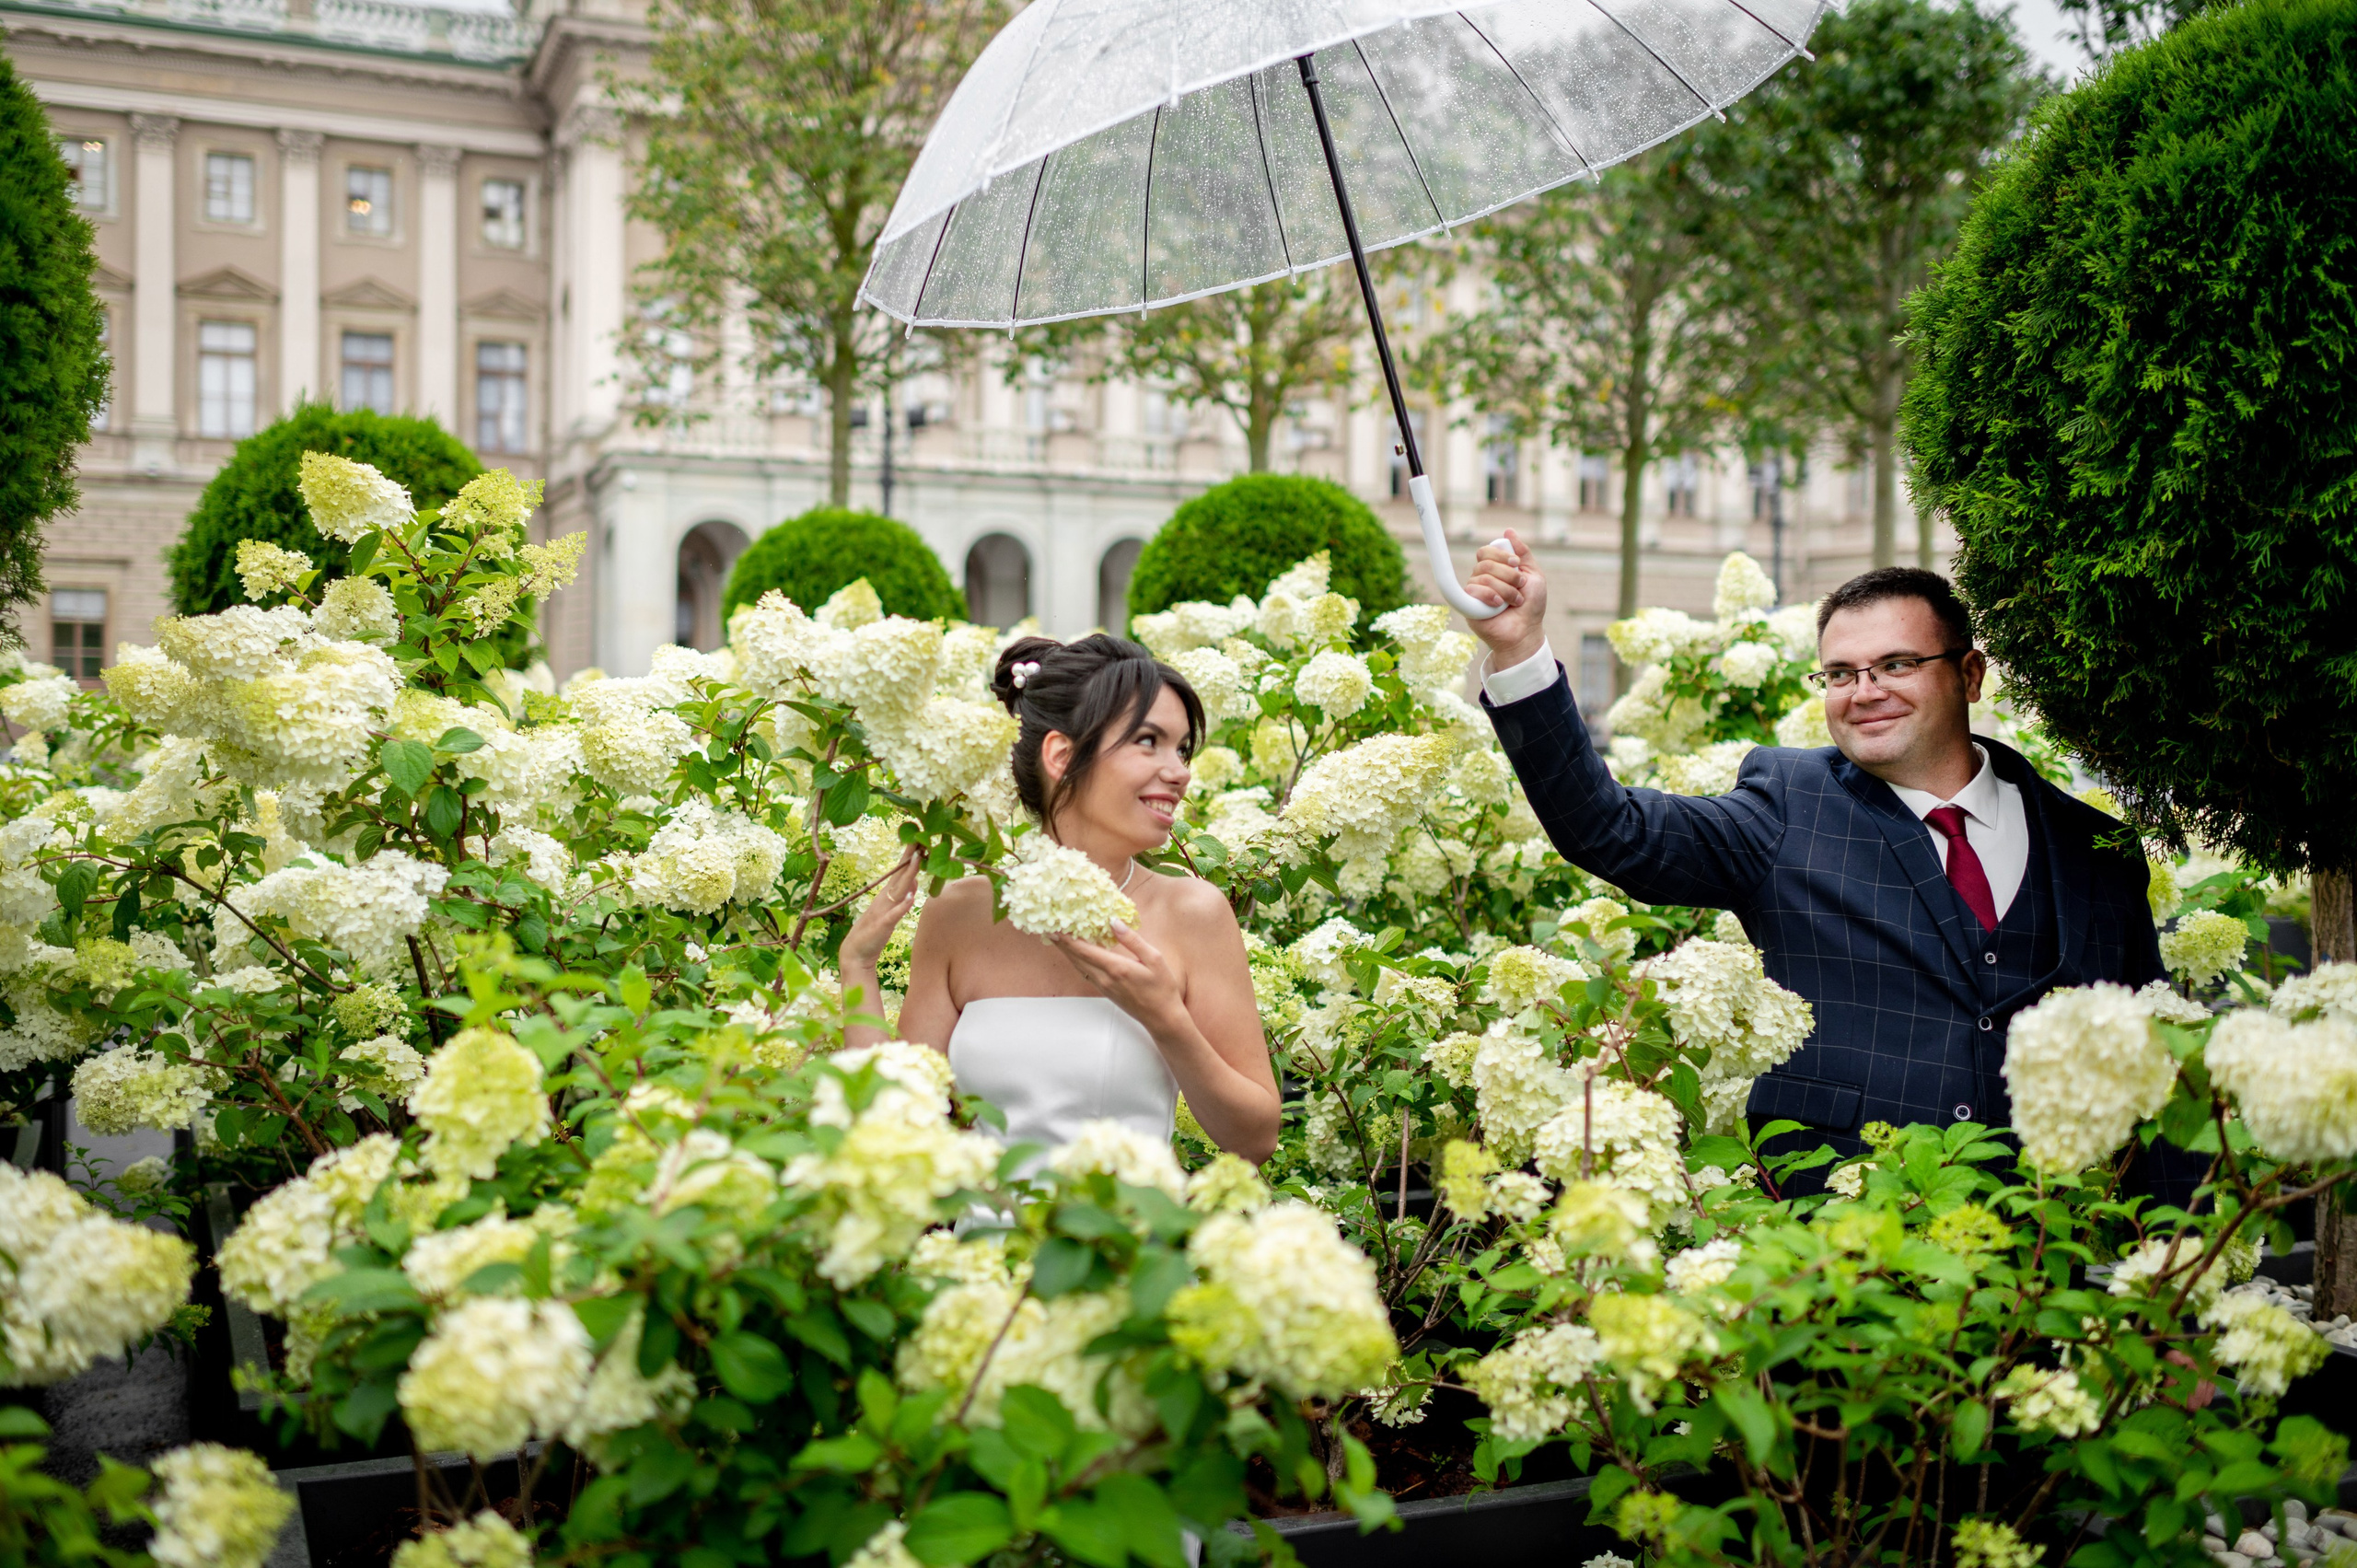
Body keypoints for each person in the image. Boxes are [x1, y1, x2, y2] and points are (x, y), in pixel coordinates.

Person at [1462, 537, 2165, 1157]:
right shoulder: (1786, 806)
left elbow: (2153, 1069)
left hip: (2056, 1259)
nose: (1864, 692)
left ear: (1970, 674)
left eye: (1896, 664)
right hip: (1834, 1255)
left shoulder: (2093, 848)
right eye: (1840, 673)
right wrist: (1519, 649)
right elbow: (1610, 829)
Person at [839, 633, 1281, 1166]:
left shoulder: (1193, 913)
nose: (1180, 771)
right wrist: (858, 967)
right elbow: (897, 1132)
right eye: (1149, 741)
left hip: (1127, 1243)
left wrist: (1165, 1016)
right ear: (1062, 754)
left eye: (1182, 748)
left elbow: (1254, 1140)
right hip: (984, 1246)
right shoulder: (960, 913)